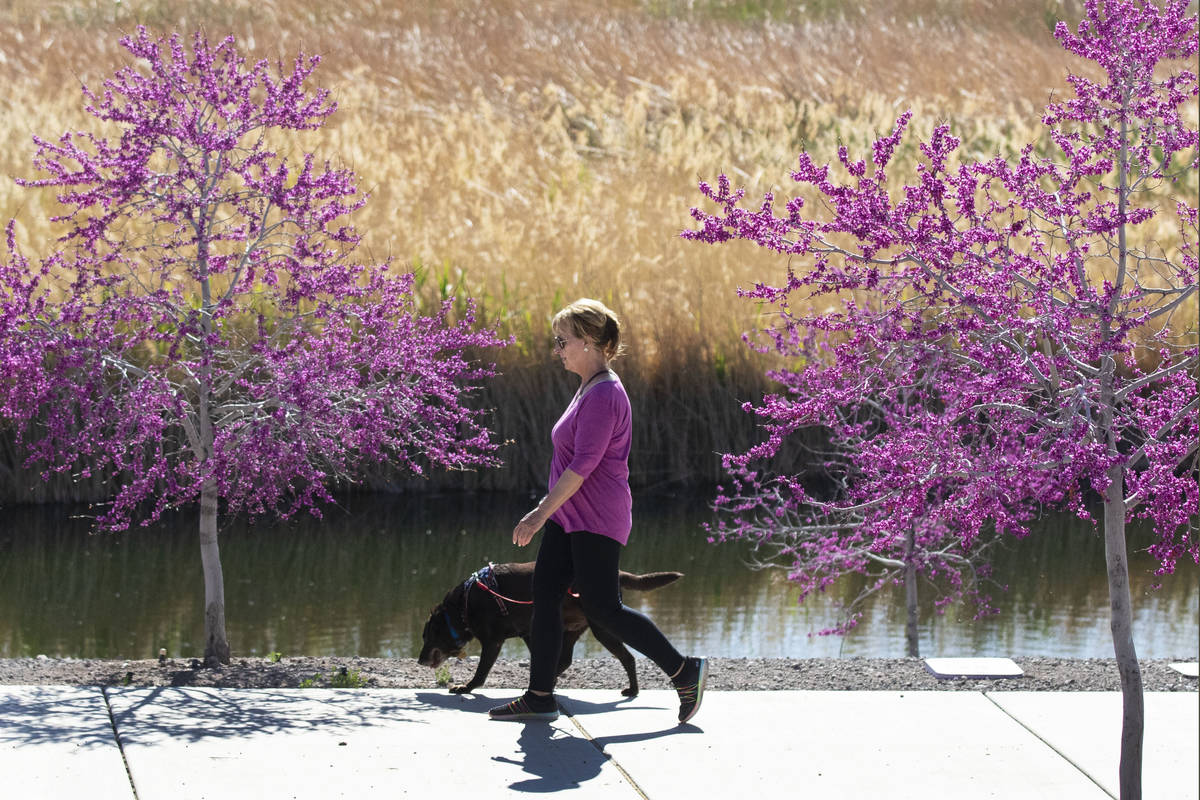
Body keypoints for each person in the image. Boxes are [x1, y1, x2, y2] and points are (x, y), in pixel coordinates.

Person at [488, 298, 707, 724]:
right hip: (569, 516)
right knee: (546, 596)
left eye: (563, 341)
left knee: (603, 608)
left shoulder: (606, 393)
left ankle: (685, 671)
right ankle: (539, 696)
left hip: (595, 519)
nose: (558, 350)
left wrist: (537, 514)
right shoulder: (588, 388)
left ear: (588, 341)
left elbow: (582, 466)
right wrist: (551, 513)